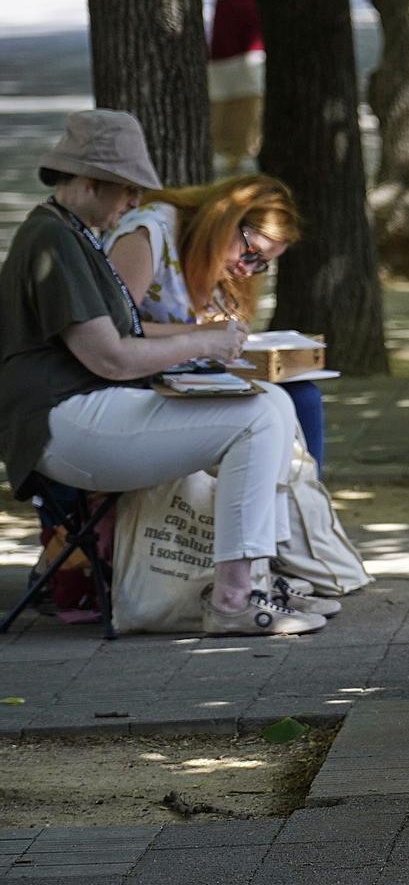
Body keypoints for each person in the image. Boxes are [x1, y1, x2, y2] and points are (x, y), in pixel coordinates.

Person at [0, 111, 323, 636]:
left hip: (80, 414)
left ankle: (257, 581)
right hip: (61, 424)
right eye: (127, 191)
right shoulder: (53, 239)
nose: (134, 202)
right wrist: (201, 342)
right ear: (88, 181)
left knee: (272, 405)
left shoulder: (68, 234)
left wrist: (202, 347)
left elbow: (122, 343)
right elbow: (111, 357)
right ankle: (236, 597)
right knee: (261, 417)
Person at [106, 175, 326, 477]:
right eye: (251, 253)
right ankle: (277, 511)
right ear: (226, 220)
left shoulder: (224, 260)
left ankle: (299, 509)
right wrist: (202, 336)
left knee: (302, 396)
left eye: (261, 264)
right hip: (141, 386)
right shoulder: (149, 233)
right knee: (269, 413)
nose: (248, 270)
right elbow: (113, 330)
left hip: (195, 380)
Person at [200, 0, 264, 175]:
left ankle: (248, 143)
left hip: (253, 12)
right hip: (227, 12)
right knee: (224, 79)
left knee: (253, 77)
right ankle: (224, 145)